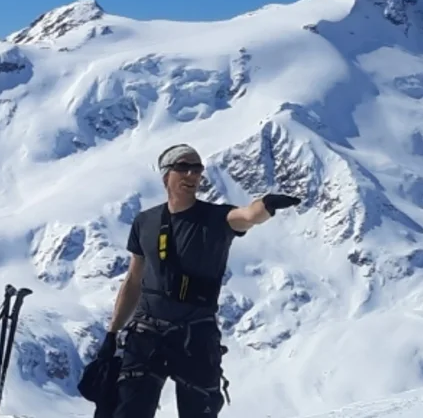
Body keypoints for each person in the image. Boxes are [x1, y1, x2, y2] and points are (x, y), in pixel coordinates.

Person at [102, 144, 297, 418]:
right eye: (184, 167)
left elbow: (247, 216)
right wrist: (113, 333)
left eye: (197, 168)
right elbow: (134, 280)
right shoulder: (145, 222)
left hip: (195, 336)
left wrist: (265, 206)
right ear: (166, 175)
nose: (192, 174)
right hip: (146, 333)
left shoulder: (216, 218)